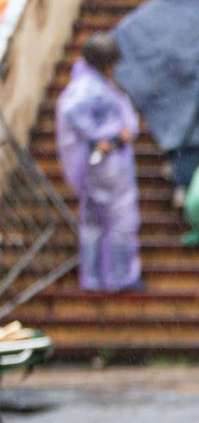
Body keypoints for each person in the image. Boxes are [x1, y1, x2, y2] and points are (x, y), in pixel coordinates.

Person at [111, 0, 199, 209]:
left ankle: (182, 178)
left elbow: (124, 34)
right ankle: (184, 181)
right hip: (194, 85)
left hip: (167, 85)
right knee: (190, 133)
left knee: (179, 131)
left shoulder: (153, 16)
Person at [55, 37, 141, 293]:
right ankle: (121, 276)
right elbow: (74, 111)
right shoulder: (89, 88)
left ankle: (94, 277)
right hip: (108, 165)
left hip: (101, 165)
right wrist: (104, 139)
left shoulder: (91, 83)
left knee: (93, 223)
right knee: (120, 221)